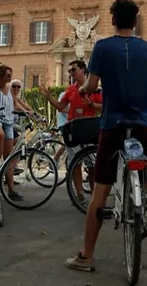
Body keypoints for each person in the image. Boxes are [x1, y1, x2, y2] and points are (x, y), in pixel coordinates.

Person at [65, 0, 147, 272]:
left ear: (112, 20)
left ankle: (86, 255)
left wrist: (82, 90)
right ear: (135, 21)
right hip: (142, 123)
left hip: (112, 124)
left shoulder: (103, 47)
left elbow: (91, 85)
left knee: (100, 188)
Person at [37, 59, 102, 207]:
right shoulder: (71, 89)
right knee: (75, 164)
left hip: (90, 130)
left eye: (74, 69)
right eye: (69, 70)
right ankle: (79, 194)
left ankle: (94, 196)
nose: (71, 72)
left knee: (92, 165)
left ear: (83, 70)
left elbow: (104, 107)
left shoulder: (94, 88)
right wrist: (49, 97)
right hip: (74, 129)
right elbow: (61, 106)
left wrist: (92, 104)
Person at [0, 62, 23, 201]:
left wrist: (28, 112)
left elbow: (16, 103)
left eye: (10, 75)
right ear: (0, 76)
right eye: (7, 75)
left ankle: (11, 190)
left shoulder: (9, 90)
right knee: (0, 135)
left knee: (8, 158)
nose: (10, 77)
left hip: (8, 123)